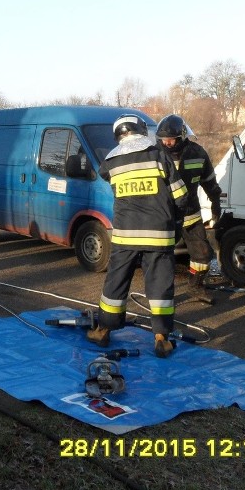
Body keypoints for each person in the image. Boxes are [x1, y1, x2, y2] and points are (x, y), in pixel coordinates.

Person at [87, 115, 188, 357]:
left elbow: (107, 179)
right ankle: (162, 338)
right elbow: (181, 195)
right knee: (160, 285)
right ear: (142, 130)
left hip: (125, 234)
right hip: (159, 234)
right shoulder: (159, 154)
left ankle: (103, 331)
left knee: (116, 282)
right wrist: (176, 222)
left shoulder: (110, 162)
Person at [155, 114, 223, 303]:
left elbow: (209, 180)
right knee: (161, 258)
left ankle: (195, 287)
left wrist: (216, 201)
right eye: (163, 140)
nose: (167, 143)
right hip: (164, 216)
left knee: (202, 255)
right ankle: (161, 294)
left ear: (182, 136)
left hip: (190, 214)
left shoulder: (197, 153)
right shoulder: (154, 155)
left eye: (171, 139)